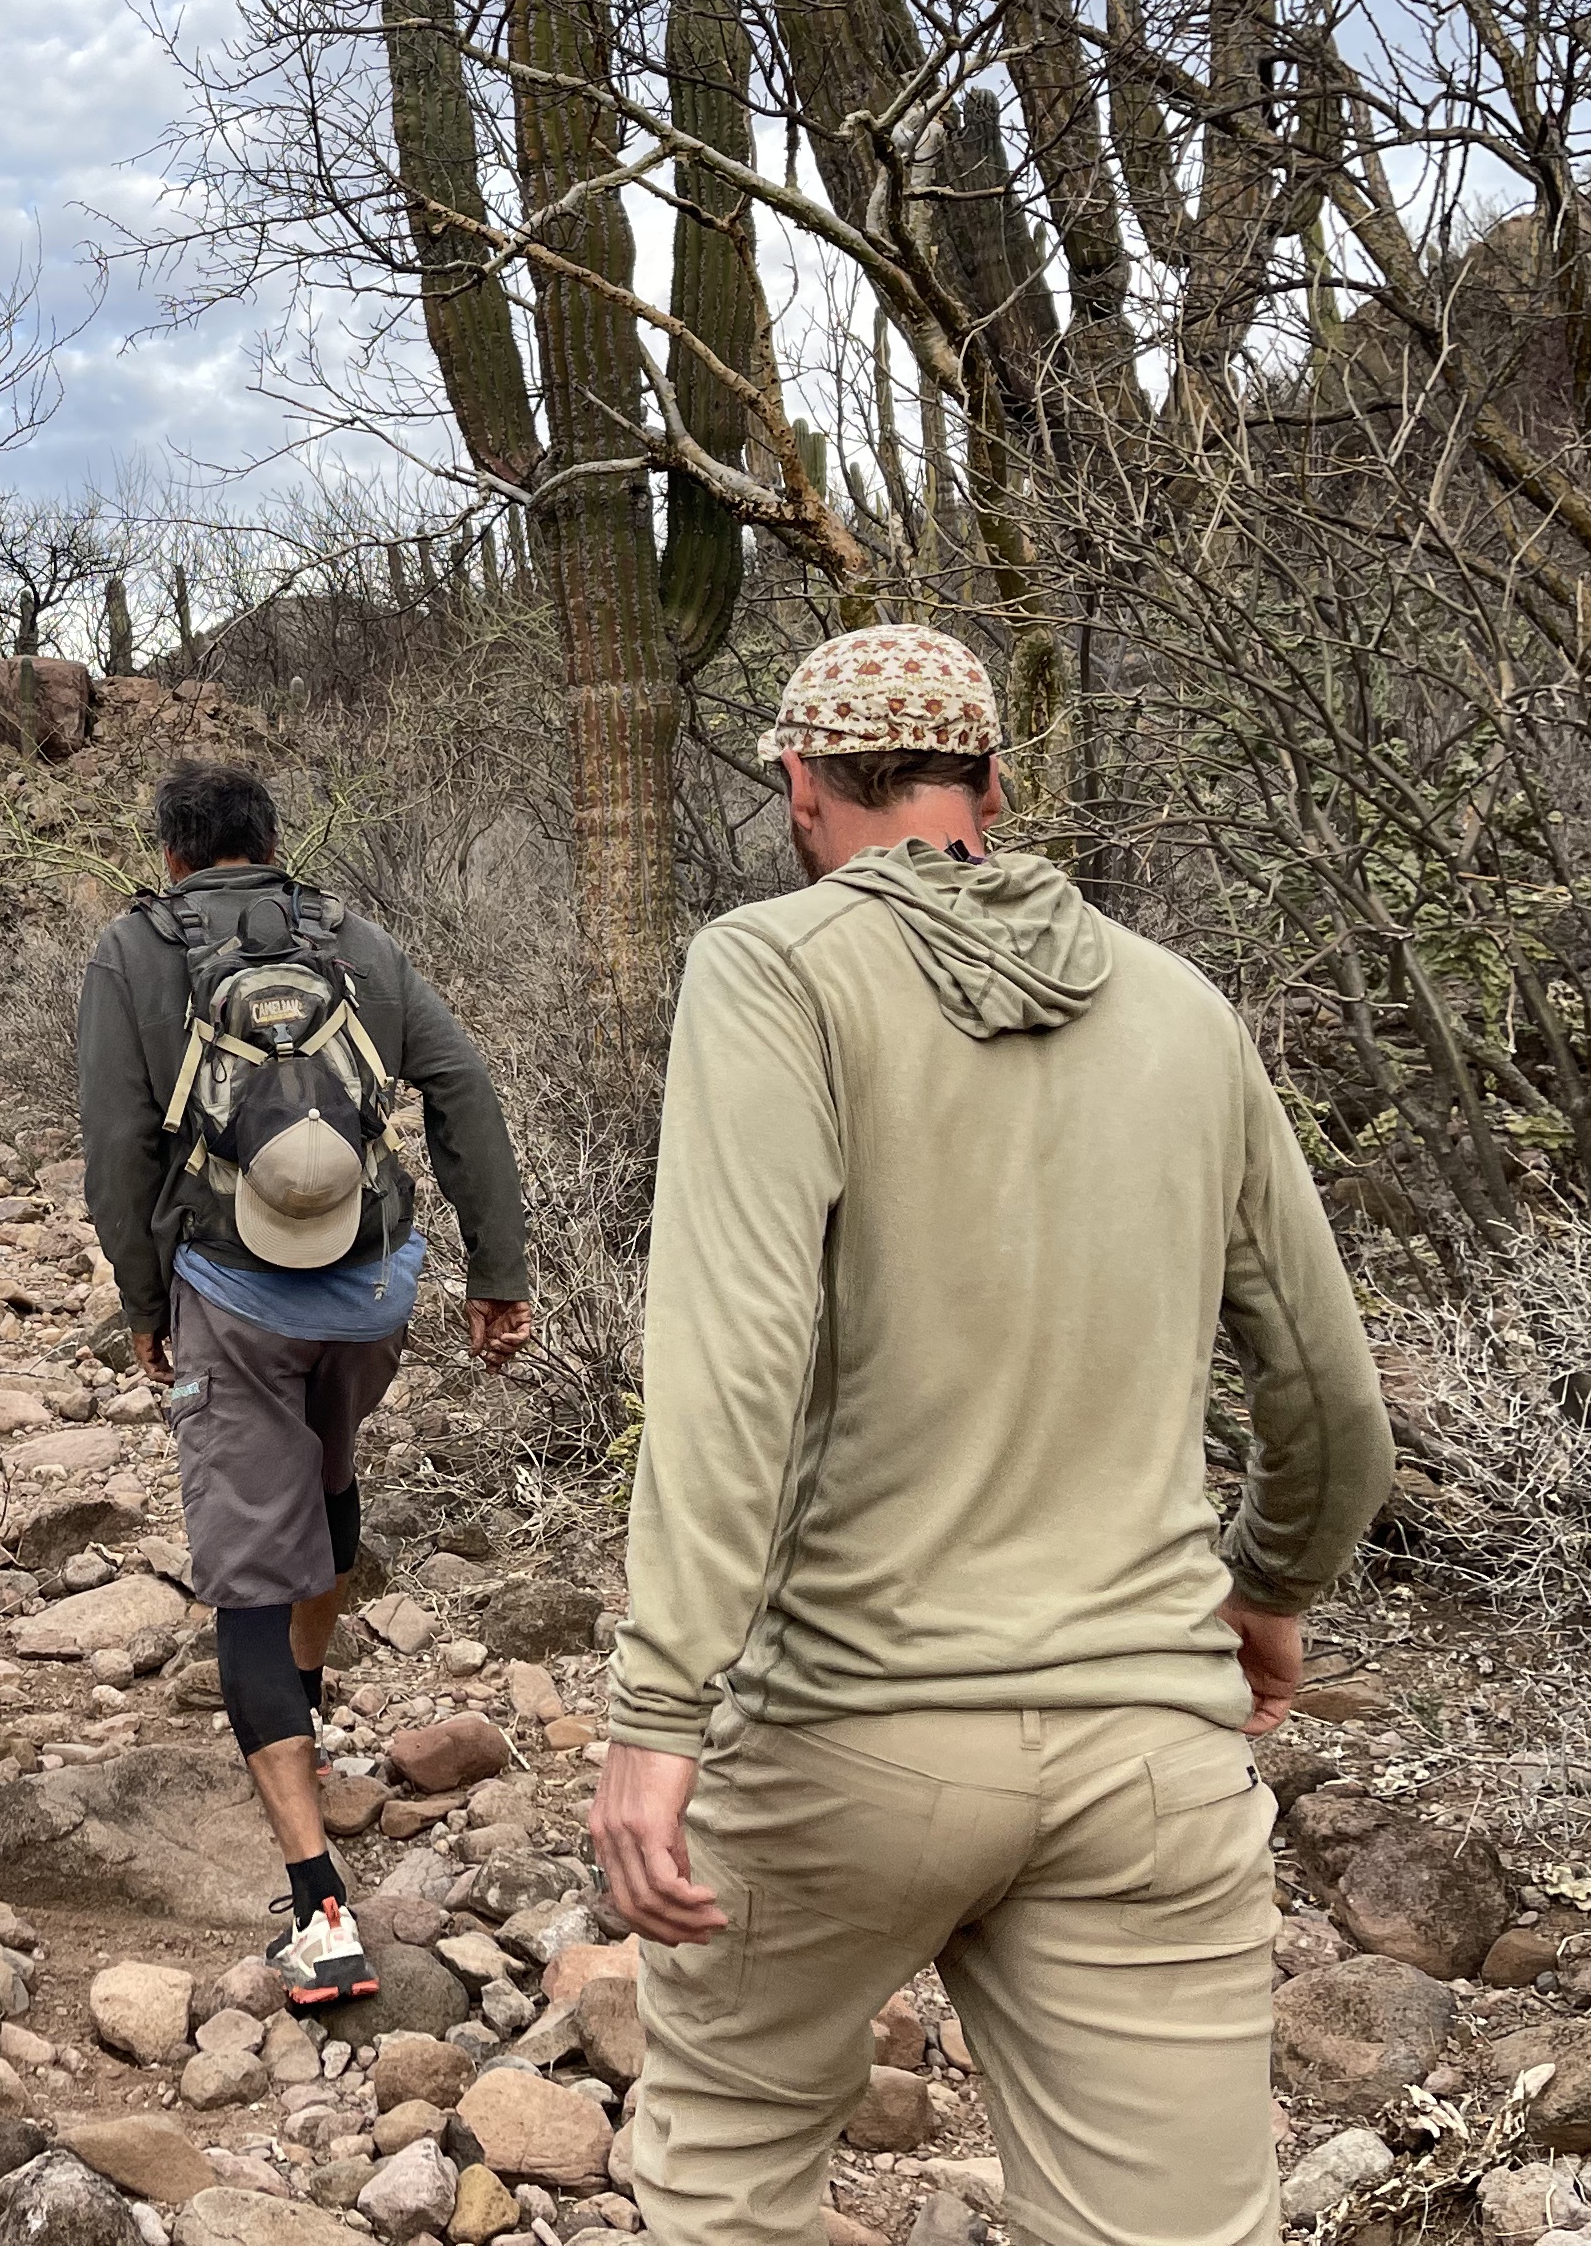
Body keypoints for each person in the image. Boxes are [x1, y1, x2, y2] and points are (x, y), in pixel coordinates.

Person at [584, 625, 1396, 2246]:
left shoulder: (773, 967)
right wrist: (1270, 1580)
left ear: (800, 786)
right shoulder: (1181, 1005)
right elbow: (1325, 1389)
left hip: (840, 1732)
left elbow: (734, 1357)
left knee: (726, 2172)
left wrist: (657, 1705)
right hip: (1146, 1751)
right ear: (993, 788)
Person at [76, 757, 537, 2009]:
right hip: (376, 1289)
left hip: (233, 1293)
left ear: (173, 853)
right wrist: (498, 1267)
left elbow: (118, 1144)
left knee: (247, 1573)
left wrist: (141, 1296)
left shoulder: (135, 950)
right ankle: (309, 1706)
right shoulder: (355, 938)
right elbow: (461, 1086)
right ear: (271, 846)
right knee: (326, 1486)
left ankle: (317, 1910)